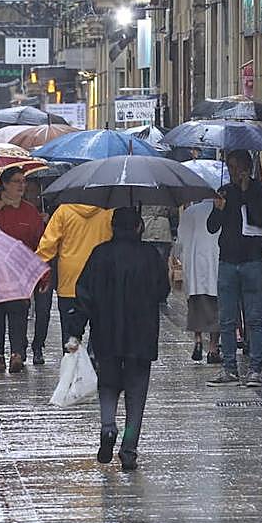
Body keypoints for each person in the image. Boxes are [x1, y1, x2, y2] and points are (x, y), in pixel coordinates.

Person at [76, 208, 170, 471]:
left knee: (107, 386)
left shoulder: (100, 255)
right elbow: (163, 291)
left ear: (112, 227)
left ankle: (108, 427)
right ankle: (129, 449)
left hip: (106, 334)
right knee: (136, 394)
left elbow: (84, 294)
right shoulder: (151, 256)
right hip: (141, 337)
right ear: (139, 227)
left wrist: (76, 330)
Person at [205, 149, 262, 388]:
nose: (234, 172)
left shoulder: (259, 190)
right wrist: (218, 208)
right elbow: (212, 227)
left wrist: (246, 194)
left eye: (237, 167)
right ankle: (229, 368)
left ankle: (255, 369)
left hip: (252, 260)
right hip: (228, 261)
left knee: (255, 317)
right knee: (226, 318)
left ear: (247, 167)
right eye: (231, 167)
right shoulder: (225, 192)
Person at [0, 167, 44, 372]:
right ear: (4, 184)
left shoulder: (30, 211)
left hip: (20, 270)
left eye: (24, 181)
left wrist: (40, 273)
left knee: (19, 311)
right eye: (17, 181)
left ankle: (18, 353)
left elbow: (40, 242)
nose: (22, 186)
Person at [35, 203, 115, 350]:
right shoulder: (108, 211)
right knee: (100, 332)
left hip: (70, 281)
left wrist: (38, 270)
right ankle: (94, 364)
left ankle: (71, 366)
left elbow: (48, 246)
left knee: (70, 334)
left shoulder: (63, 211)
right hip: (100, 280)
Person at [174, 196, 222, 364]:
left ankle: (198, 340)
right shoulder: (222, 210)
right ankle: (213, 348)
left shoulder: (190, 212)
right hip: (217, 264)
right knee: (217, 307)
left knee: (196, 306)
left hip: (194, 266)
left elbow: (180, 242)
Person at [24, 177, 55, 365]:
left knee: (43, 310)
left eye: (35, 192)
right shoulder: (21, 212)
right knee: (22, 308)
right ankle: (21, 345)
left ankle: (38, 346)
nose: (31, 195)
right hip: (24, 266)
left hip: (45, 268)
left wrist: (48, 222)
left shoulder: (50, 209)